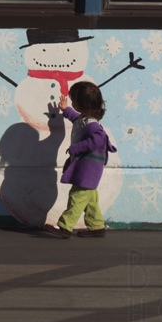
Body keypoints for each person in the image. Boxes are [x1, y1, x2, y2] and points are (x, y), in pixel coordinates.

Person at [43, 81, 117, 238]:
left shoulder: (92, 124)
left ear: (82, 104)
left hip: (89, 167)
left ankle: (65, 226)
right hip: (88, 166)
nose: (72, 102)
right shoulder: (84, 119)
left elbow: (99, 139)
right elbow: (75, 119)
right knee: (90, 199)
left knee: (77, 196)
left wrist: (76, 148)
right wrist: (65, 110)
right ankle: (96, 226)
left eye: (74, 100)